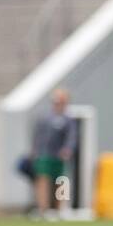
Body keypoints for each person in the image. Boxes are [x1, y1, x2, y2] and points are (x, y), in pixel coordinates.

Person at [29, 88, 78, 218]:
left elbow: (72, 137)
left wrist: (68, 149)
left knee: (61, 181)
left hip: (59, 156)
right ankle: (43, 210)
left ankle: (59, 210)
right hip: (44, 154)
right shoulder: (44, 117)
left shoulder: (68, 120)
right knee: (43, 180)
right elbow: (37, 136)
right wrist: (35, 151)